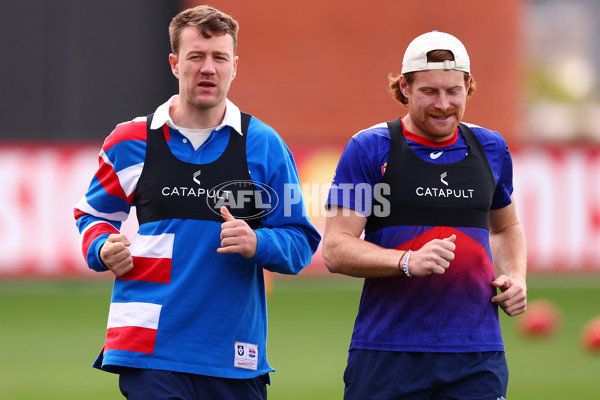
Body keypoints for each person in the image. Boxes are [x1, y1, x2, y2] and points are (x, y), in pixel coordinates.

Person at [74, 5, 320, 400]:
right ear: (175, 64)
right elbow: (93, 216)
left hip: (233, 354)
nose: (208, 68)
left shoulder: (264, 144)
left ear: (234, 66)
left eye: (219, 58)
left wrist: (260, 243)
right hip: (147, 349)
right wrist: (103, 247)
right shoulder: (130, 140)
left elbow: (301, 241)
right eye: (196, 57)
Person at [322, 31, 527, 400]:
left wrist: (514, 277)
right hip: (387, 351)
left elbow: (505, 227)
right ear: (404, 87)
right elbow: (336, 249)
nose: (443, 104)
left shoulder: (491, 148)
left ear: (468, 86)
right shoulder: (369, 148)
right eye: (430, 91)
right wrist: (406, 260)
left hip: (476, 355)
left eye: (454, 91)